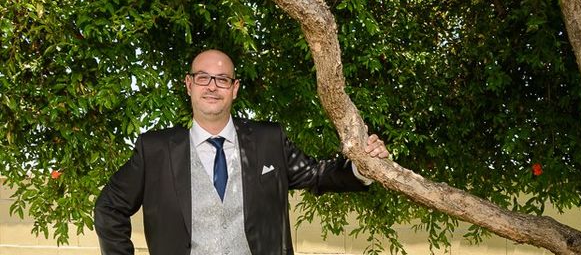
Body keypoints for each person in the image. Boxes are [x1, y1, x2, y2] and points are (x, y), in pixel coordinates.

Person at [94, 49, 389, 255]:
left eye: (222, 79)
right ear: (189, 85)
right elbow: (109, 207)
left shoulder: (269, 140)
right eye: (202, 78)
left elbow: (318, 175)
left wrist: (363, 166)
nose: (212, 87)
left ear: (234, 89)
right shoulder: (155, 149)